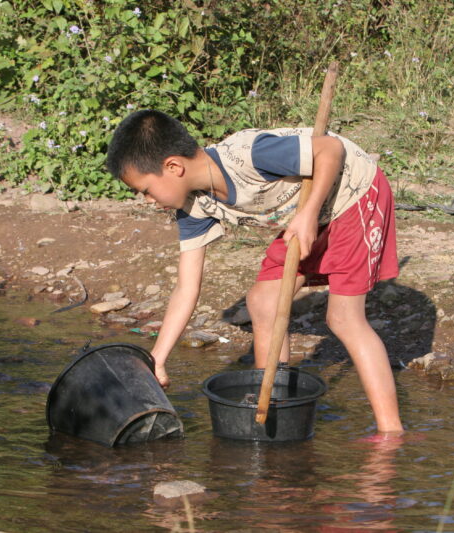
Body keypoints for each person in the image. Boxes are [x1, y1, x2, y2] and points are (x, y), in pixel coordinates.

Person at [106, 110, 403, 436]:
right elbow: (186, 287)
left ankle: (390, 432)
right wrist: (158, 358)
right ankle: (275, 400)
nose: (146, 200)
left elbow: (330, 150)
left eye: (146, 190)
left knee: (344, 318)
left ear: (173, 167)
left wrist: (310, 212)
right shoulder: (193, 205)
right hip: (308, 215)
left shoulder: (249, 156)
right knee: (263, 302)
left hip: (352, 194)